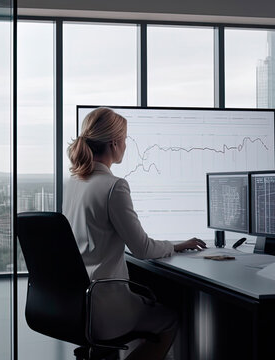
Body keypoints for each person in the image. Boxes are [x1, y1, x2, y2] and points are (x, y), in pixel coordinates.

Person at [63, 107, 206, 360]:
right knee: (169, 318)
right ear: (115, 143)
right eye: (126, 140)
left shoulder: (74, 184)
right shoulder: (114, 186)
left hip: (76, 303)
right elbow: (143, 249)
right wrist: (176, 246)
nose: (127, 146)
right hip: (106, 307)